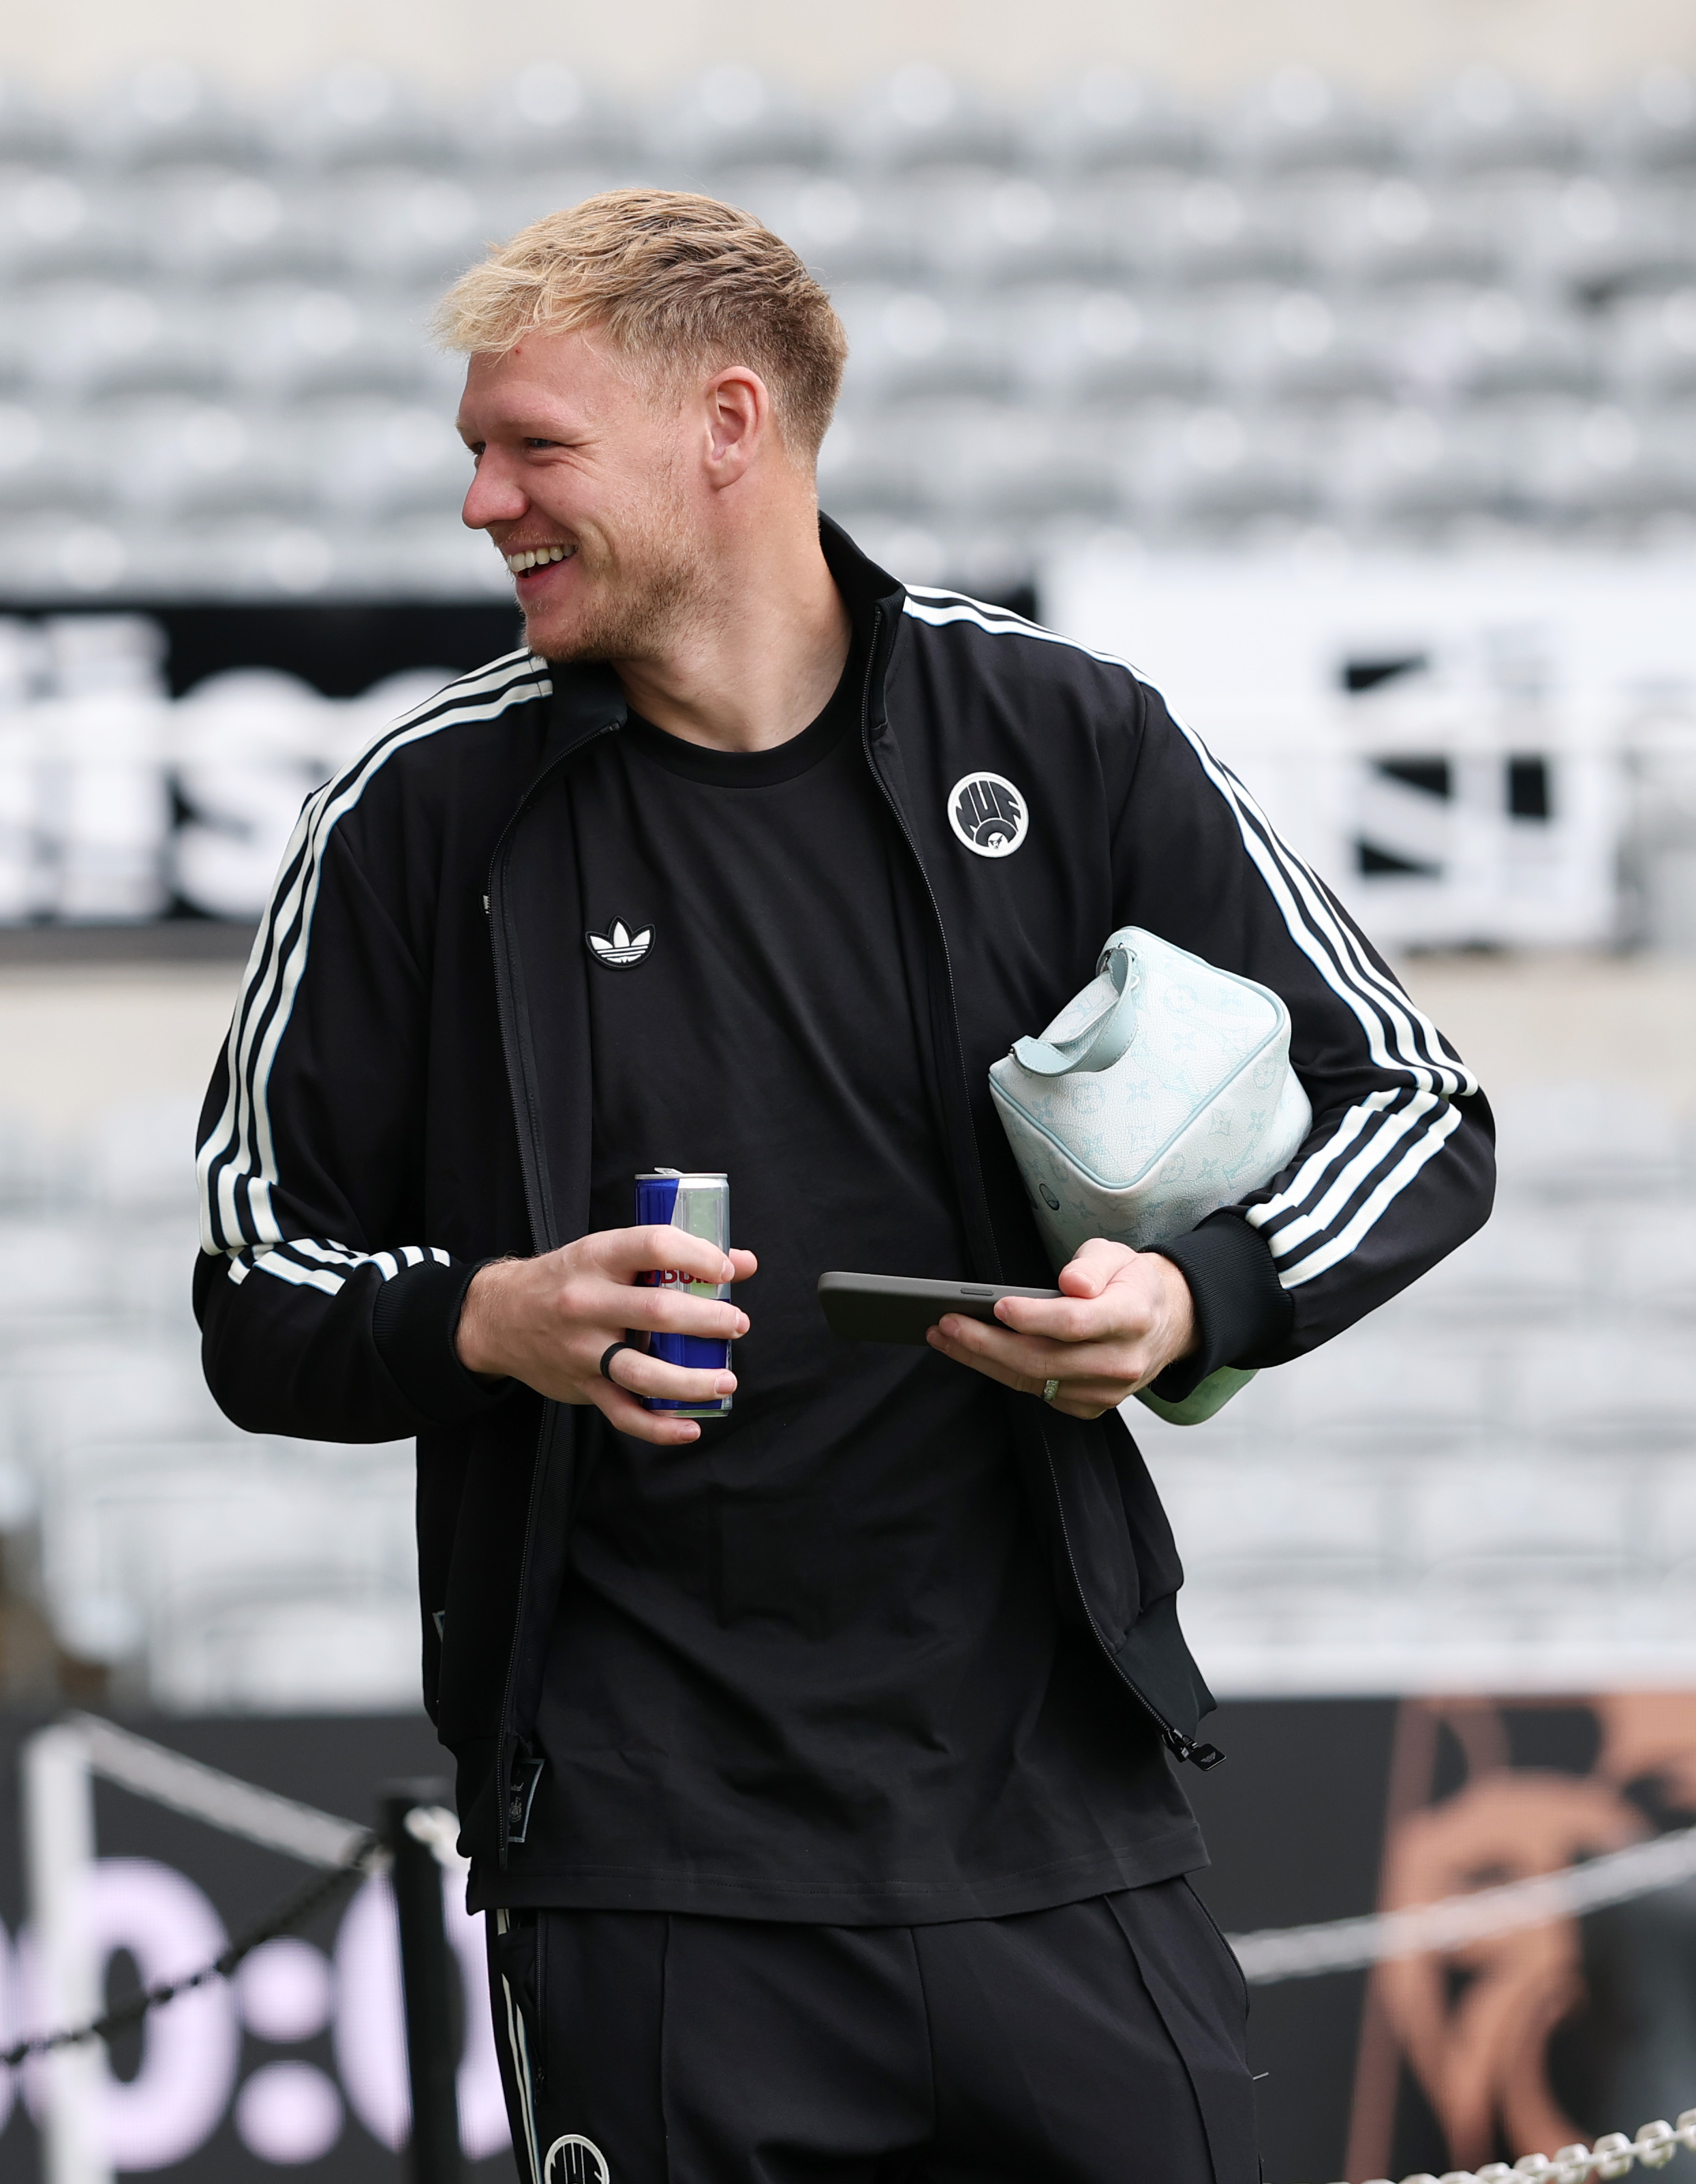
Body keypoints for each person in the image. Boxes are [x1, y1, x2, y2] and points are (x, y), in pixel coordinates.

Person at [195, 191, 1493, 2183]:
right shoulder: (413, 812)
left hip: (1056, 1826)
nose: (479, 502)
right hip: (644, 1860)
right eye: (474, 449)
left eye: (529, 446)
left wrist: (1187, 1301)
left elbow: (1410, 1100)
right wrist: (488, 1318)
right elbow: (252, 1280)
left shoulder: (1058, 734)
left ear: (726, 425)